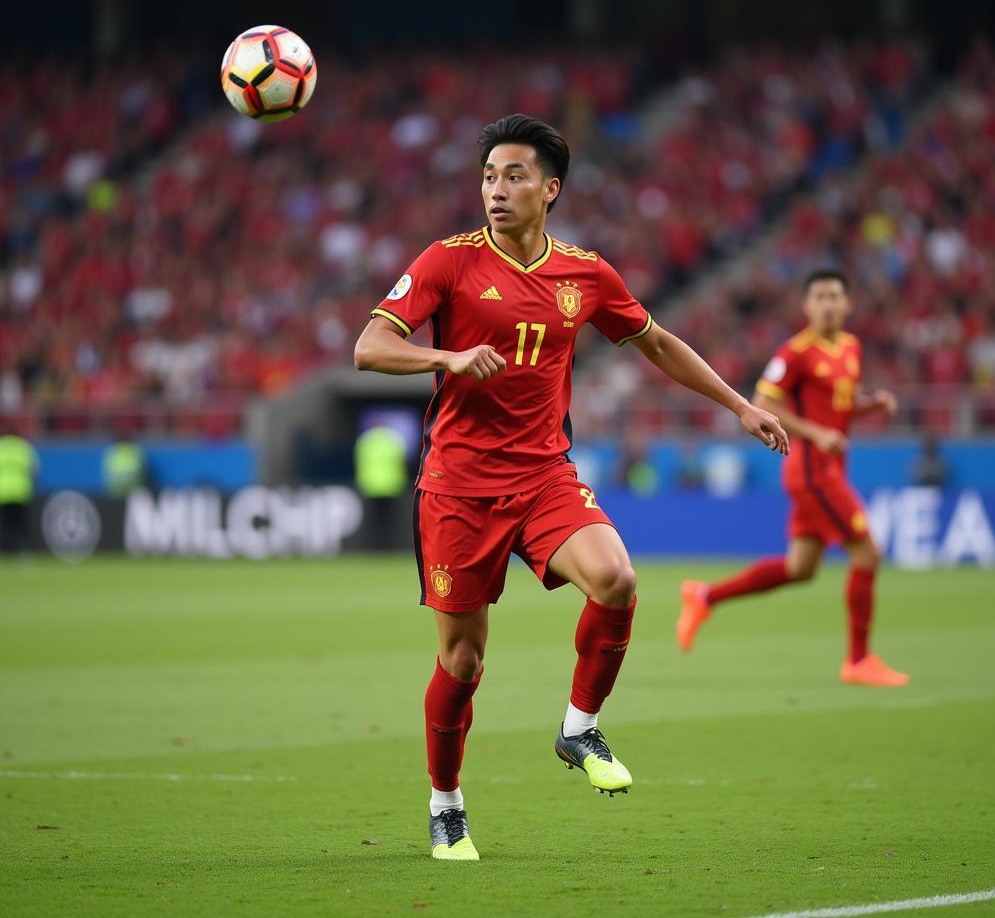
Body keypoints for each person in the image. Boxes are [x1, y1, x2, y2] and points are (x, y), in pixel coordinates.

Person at [353, 114, 789, 862]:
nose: (497, 189)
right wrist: (449, 357)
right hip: (457, 489)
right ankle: (446, 804)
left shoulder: (585, 274)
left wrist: (740, 405)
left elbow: (655, 341)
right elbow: (370, 347)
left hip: (544, 475)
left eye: (514, 175)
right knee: (462, 663)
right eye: (489, 175)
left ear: (550, 189)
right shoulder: (446, 262)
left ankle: (579, 728)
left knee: (617, 579)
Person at [676, 268, 909, 688]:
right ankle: (858, 660)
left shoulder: (851, 348)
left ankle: (705, 596)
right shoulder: (794, 352)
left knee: (801, 568)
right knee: (868, 553)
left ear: (847, 304)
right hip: (810, 470)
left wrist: (869, 405)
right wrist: (816, 433)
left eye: (835, 296)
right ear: (806, 306)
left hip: (831, 468)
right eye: (819, 296)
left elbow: (838, 403)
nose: (828, 303)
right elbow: (764, 403)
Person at [0, 422, 39, 555]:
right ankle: (24, 550)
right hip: (21, 491)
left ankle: (6, 550)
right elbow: (34, 471)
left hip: (4, 492)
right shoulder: (23, 447)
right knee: (21, 524)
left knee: (5, 524)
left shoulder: (1, 446)